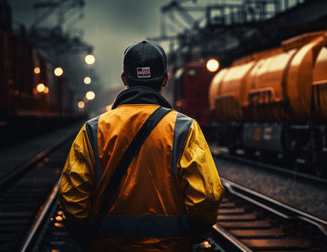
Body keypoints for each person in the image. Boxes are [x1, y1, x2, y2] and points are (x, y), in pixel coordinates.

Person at [59, 40, 224, 251]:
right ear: (165, 80)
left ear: (124, 79)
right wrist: (194, 234)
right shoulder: (184, 128)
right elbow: (206, 197)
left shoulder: (94, 129)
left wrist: (88, 236)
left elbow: (72, 199)